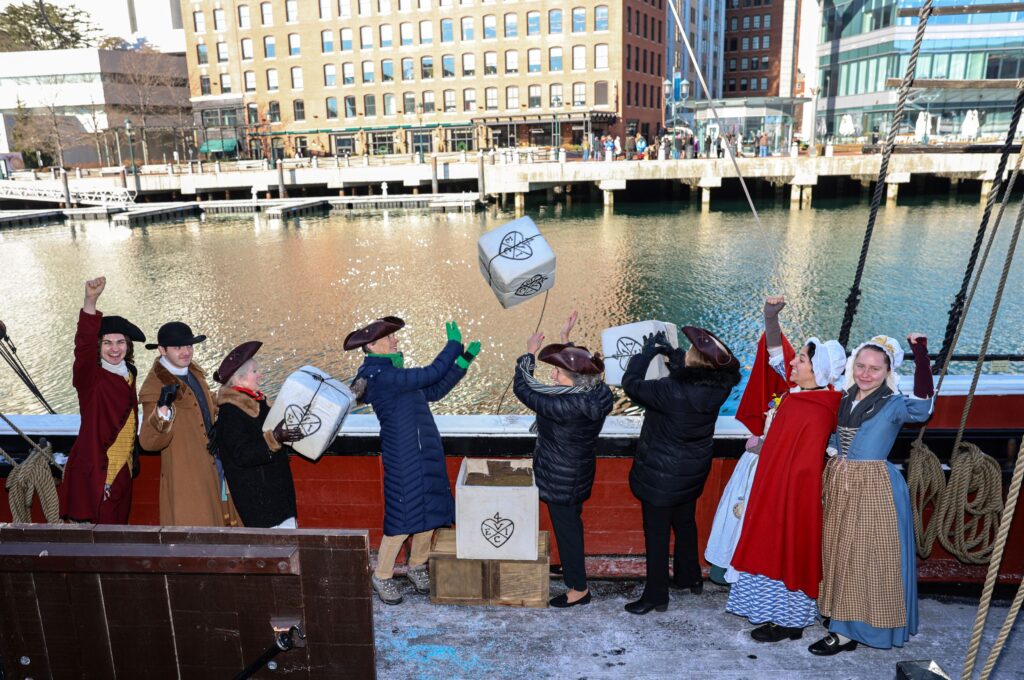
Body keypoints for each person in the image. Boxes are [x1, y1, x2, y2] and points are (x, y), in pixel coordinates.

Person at [725, 296, 846, 642]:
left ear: (817, 369)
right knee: (770, 548)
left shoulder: (820, 407)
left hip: (794, 496)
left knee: (789, 550)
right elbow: (776, 352)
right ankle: (773, 614)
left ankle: (790, 621)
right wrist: (769, 317)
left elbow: (810, 461)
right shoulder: (799, 395)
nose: (794, 362)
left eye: (803, 359)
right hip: (775, 488)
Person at [811, 333, 934, 655]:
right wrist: (833, 449)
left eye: (875, 369)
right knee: (837, 550)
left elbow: (922, 409)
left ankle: (850, 631)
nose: (866, 374)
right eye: (861, 366)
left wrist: (920, 352)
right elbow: (837, 436)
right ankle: (838, 614)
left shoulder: (893, 403)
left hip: (874, 488)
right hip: (841, 482)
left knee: (866, 558)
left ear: (888, 372)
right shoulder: (845, 397)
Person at [347, 316, 480, 605]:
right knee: (402, 517)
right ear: (372, 345)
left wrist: (462, 362)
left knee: (429, 512)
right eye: (390, 337)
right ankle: (381, 575)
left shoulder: (394, 372)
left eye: (394, 336)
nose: (396, 340)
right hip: (403, 455)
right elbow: (429, 373)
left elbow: (433, 389)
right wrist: (453, 347)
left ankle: (416, 566)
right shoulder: (379, 376)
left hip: (424, 451)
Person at [622, 326, 742, 615]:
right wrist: (672, 353)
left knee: (657, 534)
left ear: (695, 361)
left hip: (661, 475)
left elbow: (631, 384)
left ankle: (655, 596)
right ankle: (689, 577)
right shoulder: (718, 387)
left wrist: (644, 354)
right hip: (691, 470)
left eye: (688, 352)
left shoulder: (669, 390)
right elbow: (691, 377)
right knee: (685, 521)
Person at [513, 312, 614, 608]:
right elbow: (586, 368)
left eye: (558, 373)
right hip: (577, 471)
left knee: (568, 528)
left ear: (571, 381)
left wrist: (529, 352)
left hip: (560, 476)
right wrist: (567, 338)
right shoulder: (598, 392)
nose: (553, 376)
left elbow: (523, 388)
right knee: (572, 523)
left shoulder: (562, 404)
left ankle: (579, 589)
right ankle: (571, 567)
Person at [59, 277, 147, 524]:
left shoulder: (129, 373)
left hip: (124, 469)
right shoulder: (90, 377)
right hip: (98, 473)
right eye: (107, 343)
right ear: (98, 347)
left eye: (120, 342)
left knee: (119, 531)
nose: (114, 349)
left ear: (128, 347)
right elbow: (83, 347)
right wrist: (90, 301)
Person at [139, 321, 237, 527]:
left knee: (224, 524)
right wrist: (162, 409)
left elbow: (204, 403)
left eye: (189, 346)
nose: (185, 352)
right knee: (198, 530)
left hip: (214, 465)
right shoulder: (155, 385)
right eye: (177, 347)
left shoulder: (193, 371)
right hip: (187, 474)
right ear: (162, 350)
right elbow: (148, 442)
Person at [213, 341, 305, 529]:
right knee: (274, 549)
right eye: (254, 371)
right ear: (238, 379)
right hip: (259, 500)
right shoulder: (230, 412)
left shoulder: (258, 402)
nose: (259, 375)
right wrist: (275, 439)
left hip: (277, 494)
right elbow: (243, 454)